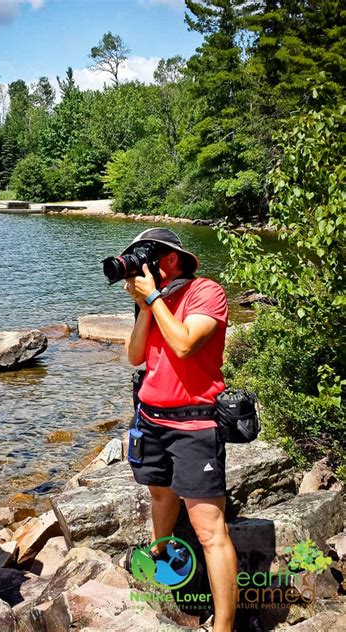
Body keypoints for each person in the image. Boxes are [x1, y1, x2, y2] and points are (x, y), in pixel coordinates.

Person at [121, 227, 238, 632]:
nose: (135, 269)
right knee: (159, 493)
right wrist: (144, 307)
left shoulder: (207, 292)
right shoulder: (155, 302)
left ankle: (223, 626)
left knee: (209, 530)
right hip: (151, 419)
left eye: (142, 259)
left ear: (169, 260)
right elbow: (134, 356)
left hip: (194, 425)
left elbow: (186, 343)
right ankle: (163, 554)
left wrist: (153, 299)